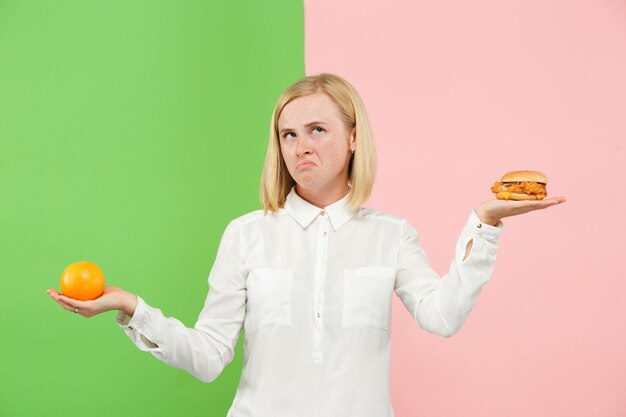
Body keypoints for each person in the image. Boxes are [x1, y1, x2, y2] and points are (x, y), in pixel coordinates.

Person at [47, 73, 567, 417]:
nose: (300, 147)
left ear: (354, 136)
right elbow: (208, 357)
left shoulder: (391, 235)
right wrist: (130, 307)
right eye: (288, 134)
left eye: (317, 129)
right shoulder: (246, 234)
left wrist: (485, 223)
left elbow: (443, 316)